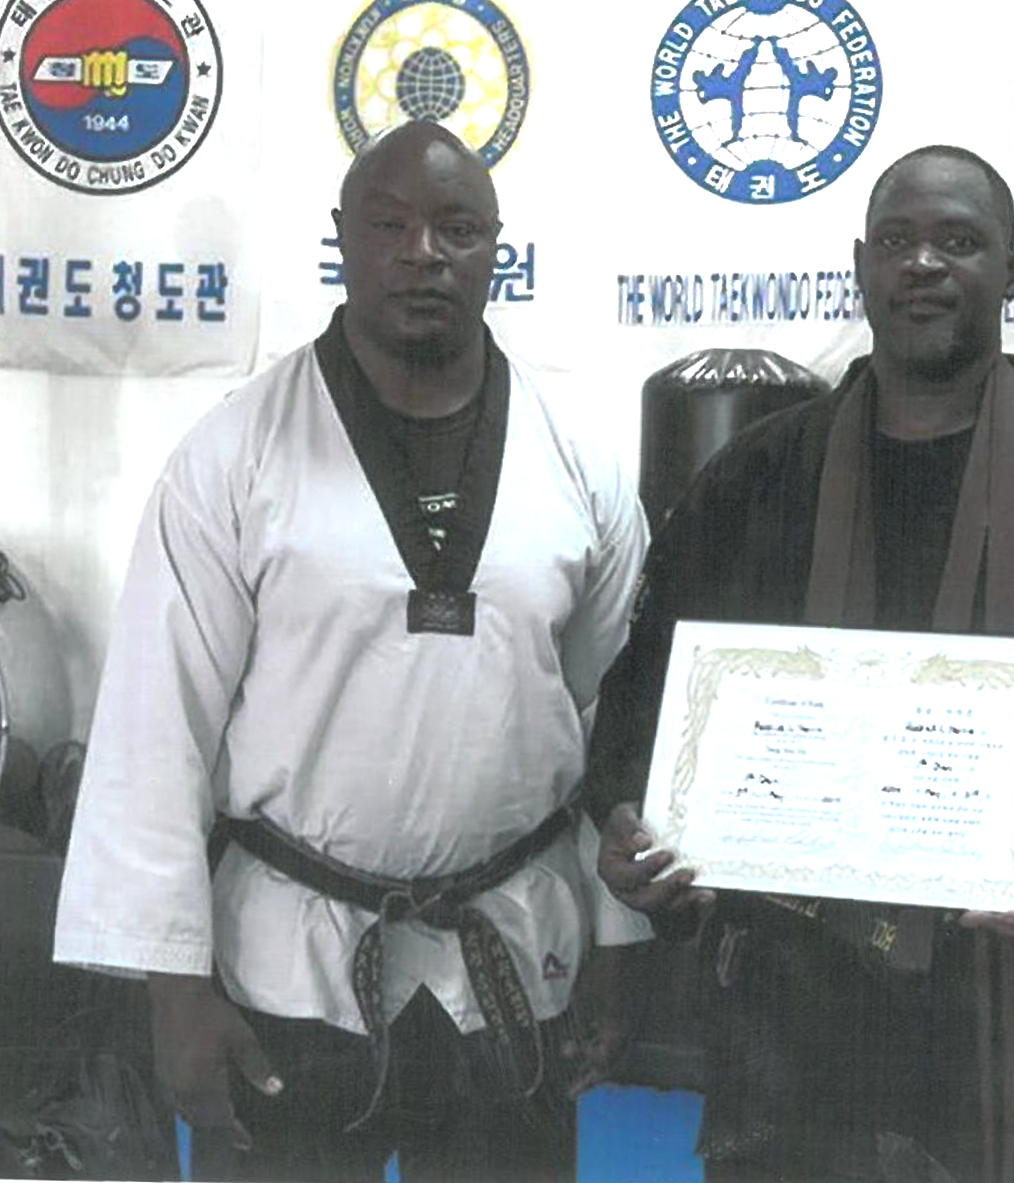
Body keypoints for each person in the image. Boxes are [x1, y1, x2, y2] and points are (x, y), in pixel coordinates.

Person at [588, 143, 1014, 1183]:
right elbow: (642, 695)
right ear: (861, 266)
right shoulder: (753, 480)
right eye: (896, 241)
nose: (924, 264)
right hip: (789, 1020)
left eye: (959, 241)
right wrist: (631, 825)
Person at [53, 121, 652, 1183]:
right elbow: (157, 727)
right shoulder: (234, 454)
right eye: (390, 226)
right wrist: (173, 992)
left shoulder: (578, 460)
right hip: (285, 971)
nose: (424, 252)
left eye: (457, 228)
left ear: (497, 247)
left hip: (516, 960)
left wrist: (615, 945)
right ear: (342, 239)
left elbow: (612, 718)